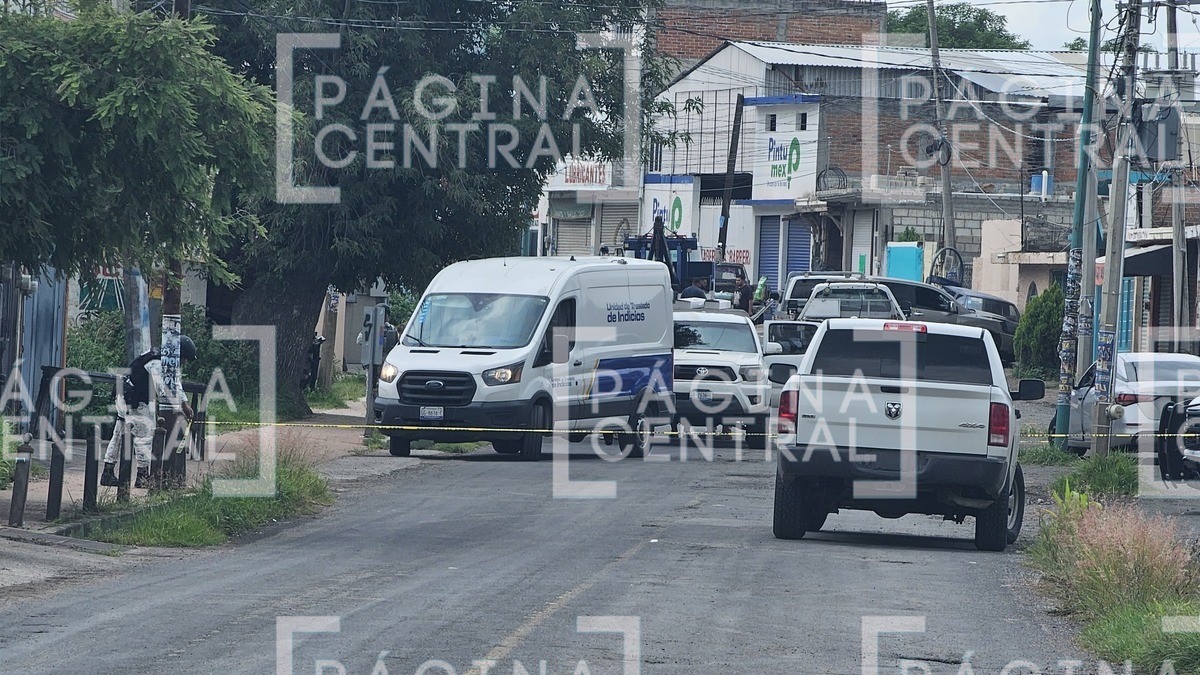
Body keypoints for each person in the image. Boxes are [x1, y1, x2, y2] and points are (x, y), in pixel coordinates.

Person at [100, 336, 197, 489]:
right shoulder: (158, 363)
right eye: (184, 359)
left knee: (118, 434)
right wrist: (179, 406)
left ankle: (108, 472)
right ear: (178, 354)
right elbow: (164, 389)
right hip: (136, 399)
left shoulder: (158, 356)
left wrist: (184, 403)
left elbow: (174, 382)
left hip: (126, 394)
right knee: (144, 435)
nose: (184, 363)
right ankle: (142, 476)